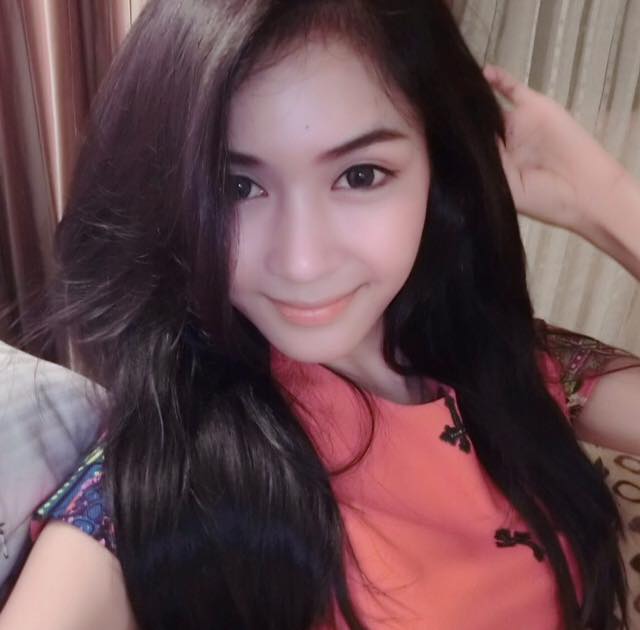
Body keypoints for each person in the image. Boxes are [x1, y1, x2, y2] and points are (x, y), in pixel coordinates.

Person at [1, 1, 639, 628]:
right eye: (235, 187)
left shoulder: (514, 364)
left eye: (361, 175)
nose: (302, 262)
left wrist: (603, 199)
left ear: (437, 168)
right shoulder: (165, 476)